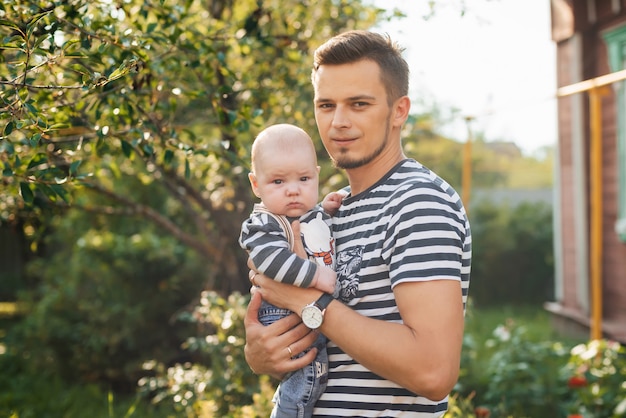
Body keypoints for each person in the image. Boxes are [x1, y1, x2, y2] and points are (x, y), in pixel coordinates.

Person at [243, 30, 472, 417]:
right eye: (326, 105)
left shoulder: (417, 202)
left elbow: (433, 372)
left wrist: (307, 302)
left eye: (359, 104)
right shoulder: (329, 210)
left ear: (399, 110)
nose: (338, 122)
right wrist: (262, 354)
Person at [238, 123, 343, 418]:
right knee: (303, 381)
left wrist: (325, 210)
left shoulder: (304, 212)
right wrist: (317, 276)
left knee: (314, 375)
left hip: (304, 315)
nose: (294, 189)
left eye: (304, 178)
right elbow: (271, 262)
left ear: (317, 176)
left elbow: (312, 233)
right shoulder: (263, 224)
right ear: (256, 185)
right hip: (282, 317)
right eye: (278, 182)